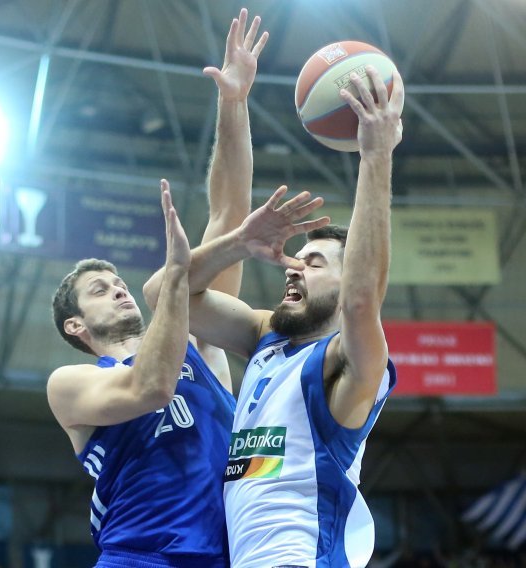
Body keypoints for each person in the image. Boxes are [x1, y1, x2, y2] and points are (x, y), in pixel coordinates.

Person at [144, 65, 404, 567]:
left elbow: (360, 301)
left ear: (346, 279)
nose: (293, 269)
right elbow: (163, 293)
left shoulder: (347, 365)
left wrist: (375, 155)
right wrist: (239, 243)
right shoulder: (266, 339)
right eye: (293, 259)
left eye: (314, 263)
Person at [47, 10, 268, 567]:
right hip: (138, 558)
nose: (119, 290)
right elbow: (151, 388)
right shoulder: (70, 386)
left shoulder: (203, 343)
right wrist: (173, 276)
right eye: (100, 290)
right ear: (76, 326)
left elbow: (228, 214)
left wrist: (234, 104)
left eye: (118, 282)